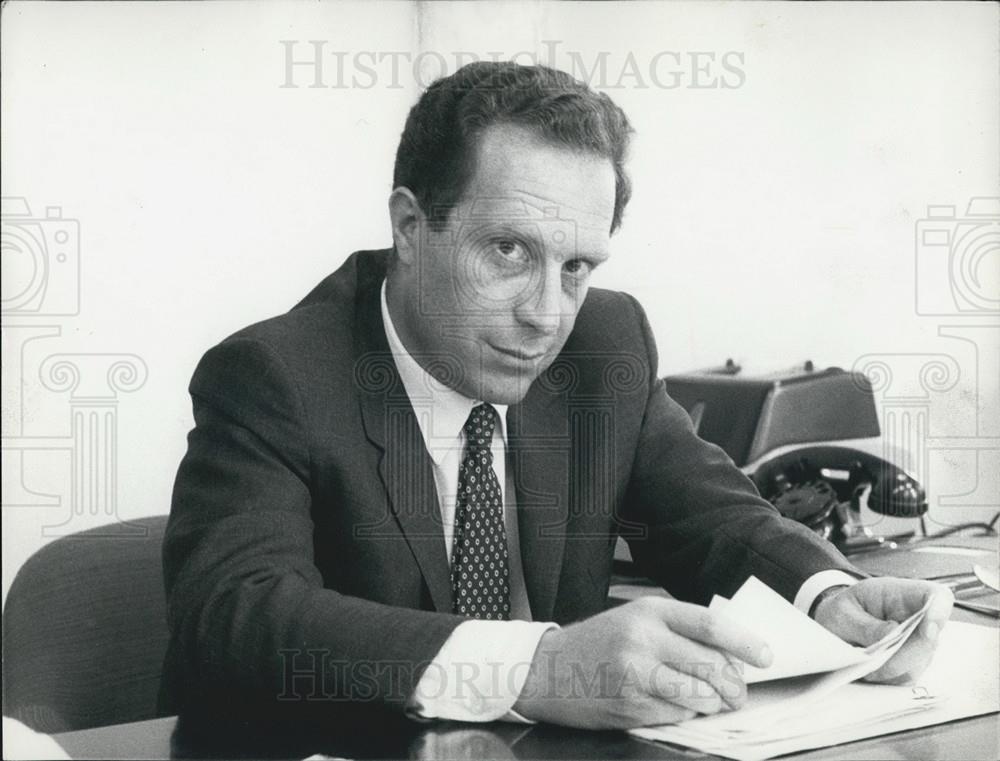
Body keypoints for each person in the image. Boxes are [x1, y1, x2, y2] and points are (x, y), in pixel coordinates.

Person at [162, 61, 952, 730]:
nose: (546, 315)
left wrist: (830, 598)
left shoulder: (603, 344)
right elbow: (236, 613)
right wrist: (538, 666)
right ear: (409, 226)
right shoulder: (274, 376)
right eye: (508, 250)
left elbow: (710, 518)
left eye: (576, 267)